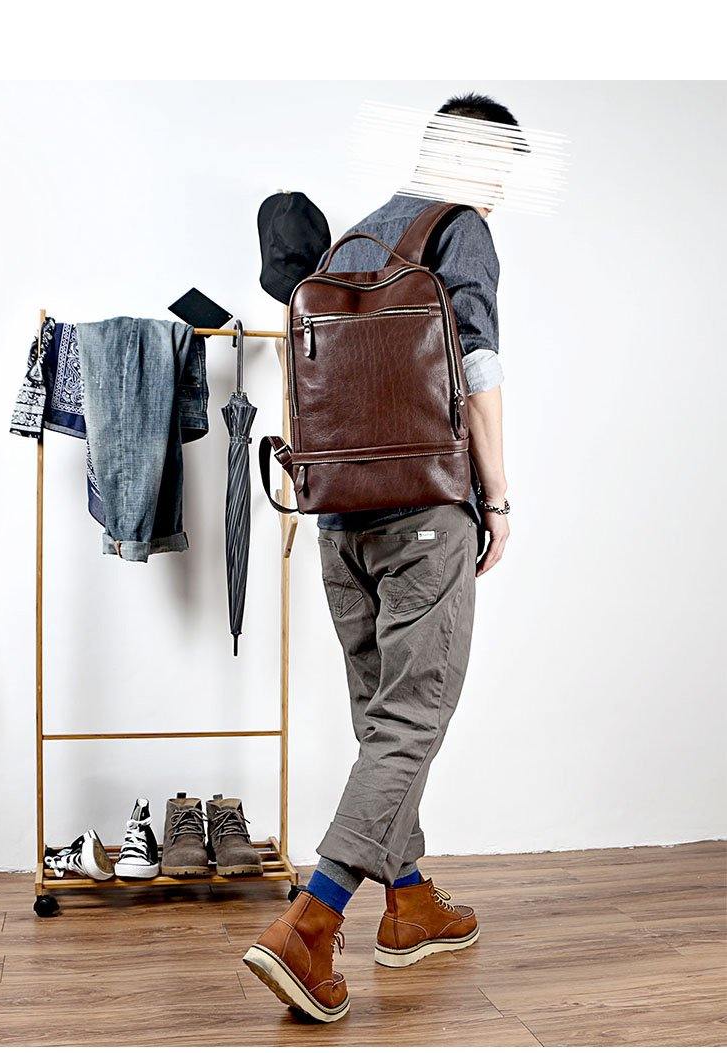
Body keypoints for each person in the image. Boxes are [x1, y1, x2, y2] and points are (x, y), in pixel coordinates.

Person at [243, 92, 515, 1024]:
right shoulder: (458, 230)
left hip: (337, 519)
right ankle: (312, 922)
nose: (501, 191)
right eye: (499, 169)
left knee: (379, 719)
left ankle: (409, 902)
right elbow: (477, 366)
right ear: (473, 161)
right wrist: (498, 498)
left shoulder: (348, 245)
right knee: (410, 721)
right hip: (425, 512)